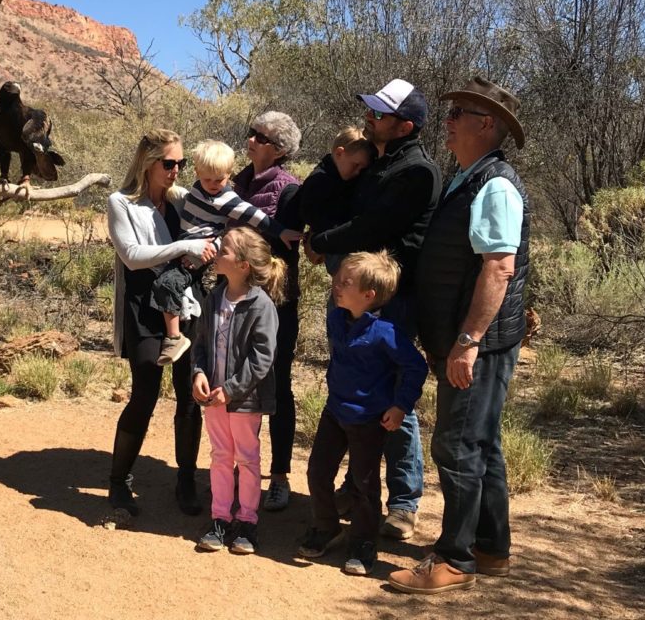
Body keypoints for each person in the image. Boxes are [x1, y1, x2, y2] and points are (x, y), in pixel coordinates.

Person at [389, 76, 529, 594]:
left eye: (459, 114)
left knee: (458, 447)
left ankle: (454, 560)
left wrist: (467, 341)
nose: (446, 122)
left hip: (477, 344)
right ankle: (491, 548)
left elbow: (498, 268)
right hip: (464, 338)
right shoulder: (468, 176)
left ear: (485, 124)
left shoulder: (494, 184)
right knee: (480, 444)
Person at [308, 79, 441, 539]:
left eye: (380, 115)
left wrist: (322, 243)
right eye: (370, 112)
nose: (370, 119)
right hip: (354, 293)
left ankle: (403, 502)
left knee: (390, 396)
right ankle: (358, 488)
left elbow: (371, 227)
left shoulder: (416, 172)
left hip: (389, 301)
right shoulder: (379, 163)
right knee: (356, 382)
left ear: (404, 126)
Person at [297, 251, 427, 576]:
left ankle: (363, 541)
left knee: (364, 484)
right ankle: (327, 527)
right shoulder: (336, 318)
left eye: (345, 282)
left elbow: (416, 366)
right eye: (337, 279)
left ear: (368, 296)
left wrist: (400, 406)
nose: (336, 286)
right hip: (335, 411)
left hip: (369, 420)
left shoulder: (386, 332)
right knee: (317, 472)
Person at [106, 130, 214, 517]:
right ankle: (118, 482)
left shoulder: (182, 201)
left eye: (180, 164)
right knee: (145, 393)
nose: (176, 171)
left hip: (187, 306)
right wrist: (185, 247)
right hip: (143, 307)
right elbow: (133, 255)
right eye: (169, 163)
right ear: (147, 163)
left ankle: (186, 480)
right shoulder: (120, 203)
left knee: (189, 394)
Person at [152, 140, 301, 366]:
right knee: (172, 285)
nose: (213, 184)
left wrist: (281, 232)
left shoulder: (227, 198)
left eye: (219, 179)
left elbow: (255, 216)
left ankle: (174, 337)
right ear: (197, 172)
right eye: (207, 179)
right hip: (185, 247)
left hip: (197, 252)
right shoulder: (196, 187)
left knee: (166, 283)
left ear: (229, 174)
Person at [192, 226, 284, 555]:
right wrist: (199, 373)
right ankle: (219, 518)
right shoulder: (214, 297)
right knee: (219, 457)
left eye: (226, 249)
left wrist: (231, 390)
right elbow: (200, 344)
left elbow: (262, 360)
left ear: (243, 265)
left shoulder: (261, 306)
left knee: (246, 459)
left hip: (244, 401)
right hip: (214, 398)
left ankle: (246, 521)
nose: (218, 250)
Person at [231, 112, 304, 513]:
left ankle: (278, 475)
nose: (252, 140)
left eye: (261, 137)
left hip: (276, 301)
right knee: (241, 382)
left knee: (276, 383)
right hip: (236, 297)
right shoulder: (234, 180)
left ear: (279, 150)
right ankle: (244, 468)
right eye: (252, 132)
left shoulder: (289, 189)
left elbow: (287, 250)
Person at [299, 126, 376, 273]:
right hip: (330, 242)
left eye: (362, 169)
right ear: (340, 153)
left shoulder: (345, 178)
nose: (358, 172)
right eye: (356, 165)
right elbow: (309, 213)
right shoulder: (319, 181)